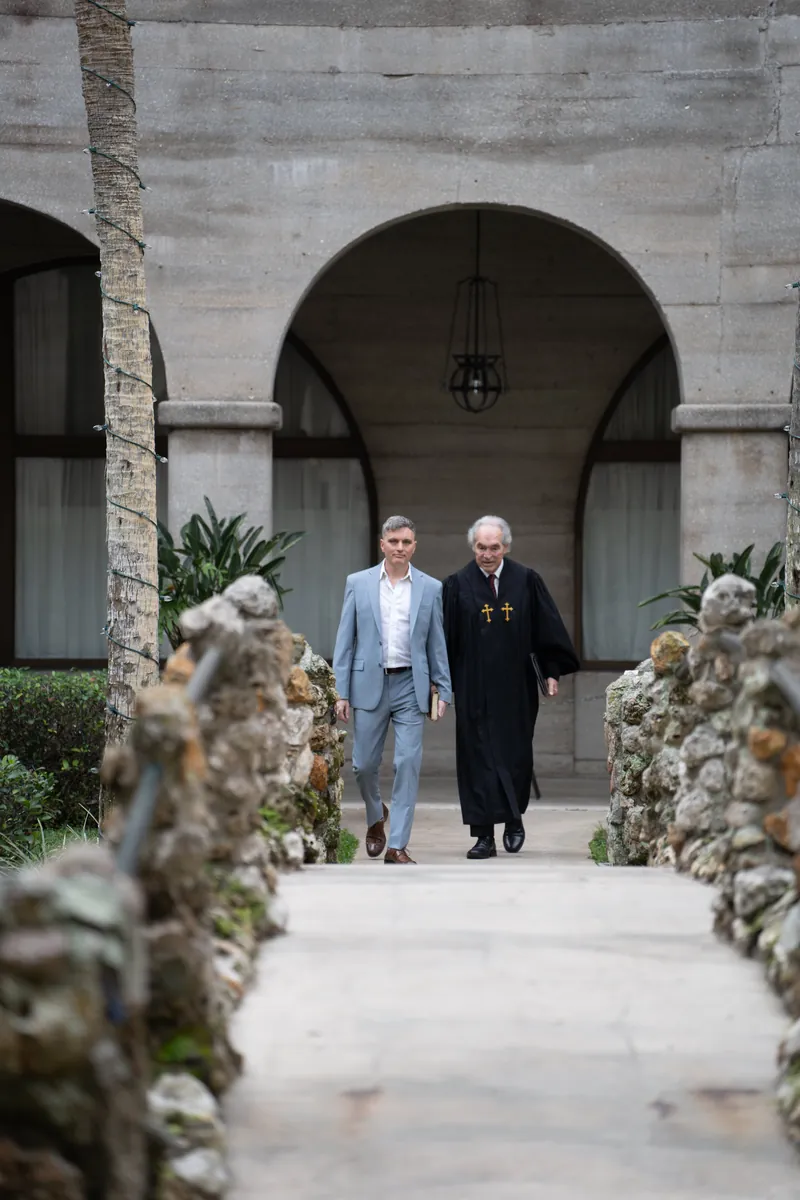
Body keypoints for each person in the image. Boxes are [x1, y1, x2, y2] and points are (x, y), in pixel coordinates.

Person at [443, 516, 579, 860]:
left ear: (506, 547)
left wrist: (551, 671)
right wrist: (441, 685)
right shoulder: (457, 584)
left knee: (514, 755)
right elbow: (445, 639)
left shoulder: (527, 580)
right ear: (472, 546)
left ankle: (514, 819)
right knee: (477, 758)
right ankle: (483, 836)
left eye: (494, 547)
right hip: (472, 686)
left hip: (515, 686)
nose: (487, 554)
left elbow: (545, 628)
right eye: (480, 547)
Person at [333, 516, 452, 864]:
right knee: (363, 765)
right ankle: (375, 817)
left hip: (410, 685)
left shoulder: (430, 588)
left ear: (415, 546)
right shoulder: (358, 583)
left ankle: (398, 844)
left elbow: (437, 641)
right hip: (368, 683)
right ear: (382, 544)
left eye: (406, 542)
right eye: (394, 541)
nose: (400, 547)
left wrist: (443, 689)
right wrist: (342, 691)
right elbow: (345, 640)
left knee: (407, 763)